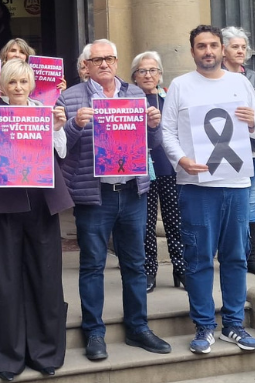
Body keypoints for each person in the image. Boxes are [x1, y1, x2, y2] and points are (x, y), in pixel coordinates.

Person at [58, 39, 171, 360]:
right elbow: (60, 147)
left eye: (109, 59)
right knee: (92, 265)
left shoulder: (135, 94)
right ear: (86, 66)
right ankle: (94, 332)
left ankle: (138, 328)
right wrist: (74, 124)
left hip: (132, 191)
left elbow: (152, 143)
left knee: (135, 264)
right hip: (95, 196)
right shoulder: (70, 97)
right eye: (97, 60)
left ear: (117, 62)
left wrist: (154, 126)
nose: (104, 64)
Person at [161, 25, 255, 355]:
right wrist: (182, 160)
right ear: (192, 51)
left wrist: (252, 122)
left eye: (213, 45)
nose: (208, 51)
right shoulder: (180, 86)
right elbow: (167, 133)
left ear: (222, 49)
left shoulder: (240, 82)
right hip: (196, 186)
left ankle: (233, 325)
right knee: (198, 258)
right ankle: (204, 326)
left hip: (235, 183)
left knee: (236, 257)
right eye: (201, 46)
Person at [0, 59, 73, 381]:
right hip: (5, 207)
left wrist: (58, 128)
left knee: (44, 278)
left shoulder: (46, 112)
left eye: (23, 82)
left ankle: (44, 353)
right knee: (4, 281)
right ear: (2, 86)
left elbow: (61, 155)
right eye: (12, 83)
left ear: (32, 85)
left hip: (42, 205)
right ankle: (4, 357)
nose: (18, 88)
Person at [220, 26, 255, 278]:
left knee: (249, 206)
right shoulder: (214, 78)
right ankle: (231, 255)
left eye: (243, 47)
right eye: (235, 47)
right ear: (223, 50)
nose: (241, 51)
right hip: (226, 153)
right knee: (229, 205)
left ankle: (249, 257)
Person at [130, 51, 184, 291]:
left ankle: (180, 269)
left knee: (175, 222)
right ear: (134, 76)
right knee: (147, 224)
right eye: (142, 71)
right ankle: (149, 271)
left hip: (169, 167)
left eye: (153, 70)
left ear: (160, 74)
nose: (148, 75)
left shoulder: (169, 98)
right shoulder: (128, 100)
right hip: (142, 171)